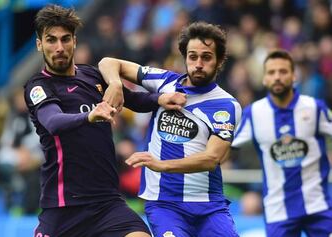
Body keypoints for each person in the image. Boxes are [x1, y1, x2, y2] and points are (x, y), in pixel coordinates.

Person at [24, 5, 186, 237]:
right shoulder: (38, 86)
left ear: (75, 41)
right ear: (40, 44)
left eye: (65, 39)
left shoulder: (92, 76)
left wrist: (162, 98)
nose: (59, 47)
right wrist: (90, 115)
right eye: (51, 40)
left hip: (107, 204)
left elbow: (133, 100)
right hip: (63, 208)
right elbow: (54, 122)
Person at [98, 21, 241, 237]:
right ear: (185, 58)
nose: (199, 63)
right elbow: (108, 62)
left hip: (209, 206)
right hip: (165, 205)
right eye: (193, 56)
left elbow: (213, 158)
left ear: (219, 61)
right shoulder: (164, 82)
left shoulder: (226, 105)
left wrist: (161, 165)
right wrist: (116, 84)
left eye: (206, 57)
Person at [232, 49, 332, 237]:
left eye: (283, 71)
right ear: (264, 79)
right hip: (278, 210)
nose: (277, 77)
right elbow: (224, 148)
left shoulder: (315, 108)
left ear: (294, 76)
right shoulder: (253, 113)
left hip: (318, 206)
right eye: (271, 72)